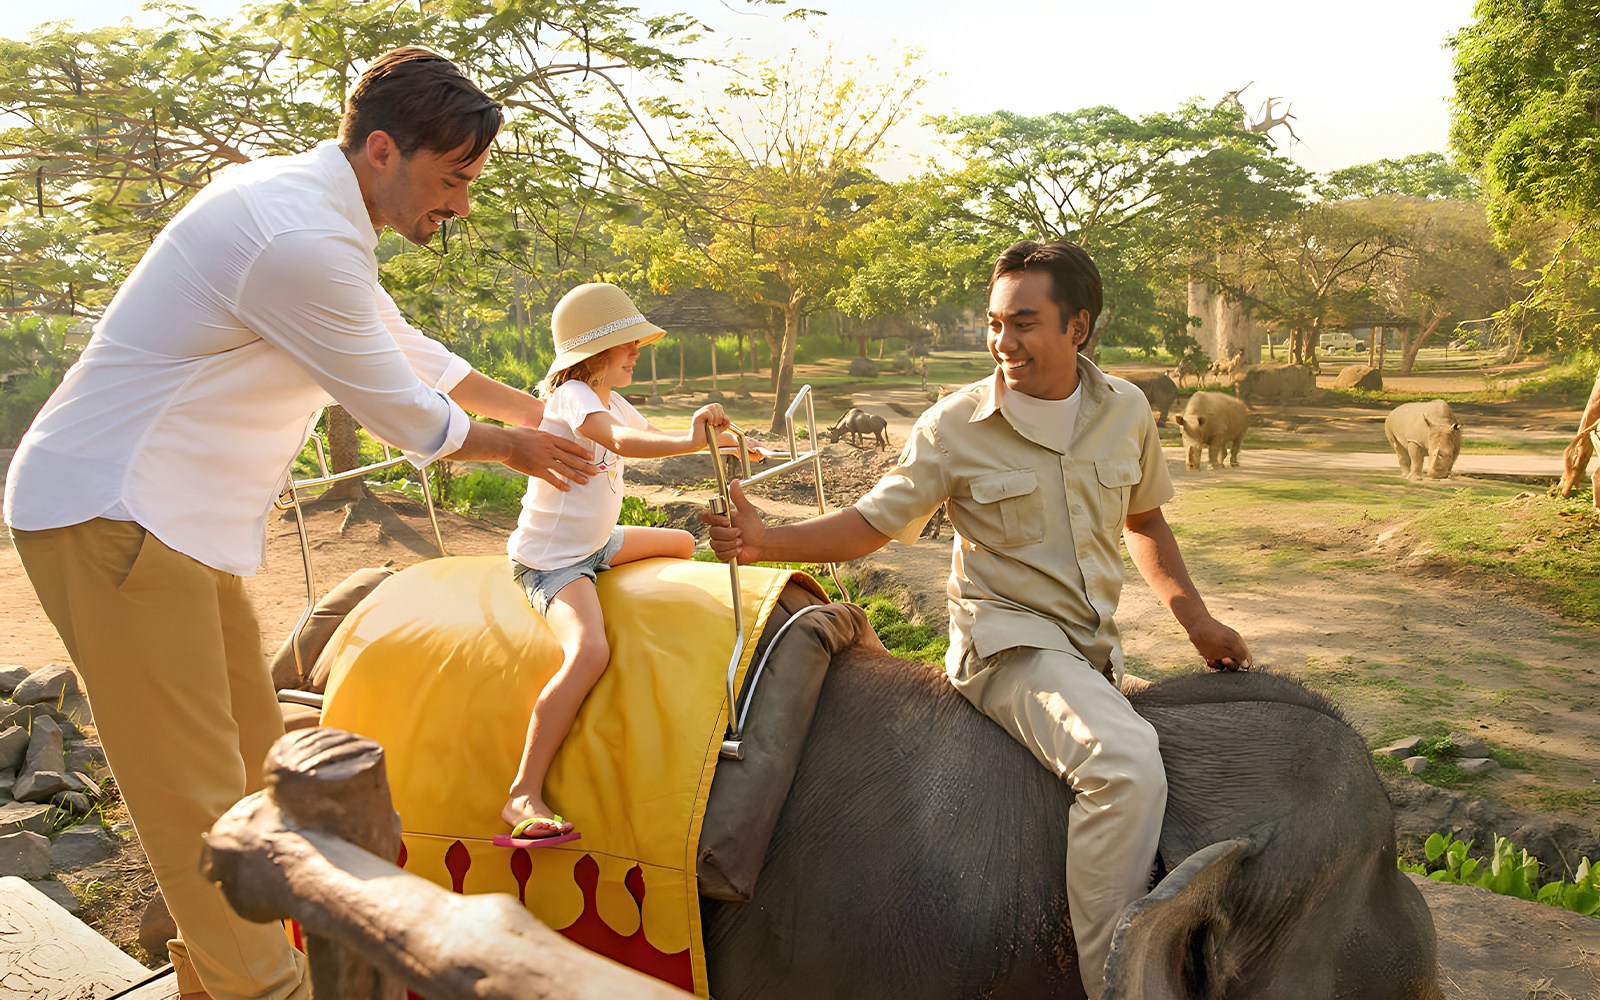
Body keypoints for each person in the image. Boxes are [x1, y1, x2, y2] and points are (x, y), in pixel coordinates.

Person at [4, 48, 596, 1000]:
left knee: (252, 771)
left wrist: (541, 412)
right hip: (113, 513)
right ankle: (267, 992)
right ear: (379, 151)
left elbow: (409, 350)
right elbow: (410, 414)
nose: (461, 206)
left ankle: (210, 979)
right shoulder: (295, 240)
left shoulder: (316, 214)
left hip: (176, 526)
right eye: (453, 181)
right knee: (193, 794)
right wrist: (523, 450)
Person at [705, 239, 1251, 1000]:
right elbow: (872, 523)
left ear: (1079, 327)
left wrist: (1198, 622)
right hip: (1007, 643)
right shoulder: (953, 423)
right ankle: (1121, 988)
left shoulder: (1124, 409)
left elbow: (1147, 522)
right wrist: (767, 539)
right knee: (1122, 764)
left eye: (1023, 323)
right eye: (994, 324)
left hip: (1091, 649)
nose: (1003, 342)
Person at [501, 282, 756, 841]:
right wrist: (693, 441)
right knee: (590, 651)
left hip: (598, 541)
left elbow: (652, 434)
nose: (638, 351)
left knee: (683, 544)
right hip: (554, 561)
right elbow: (620, 442)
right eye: (628, 343)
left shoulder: (609, 398)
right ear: (594, 353)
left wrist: (728, 443)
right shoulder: (572, 396)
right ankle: (522, 793)